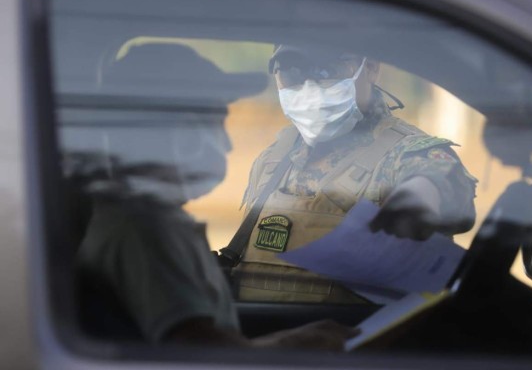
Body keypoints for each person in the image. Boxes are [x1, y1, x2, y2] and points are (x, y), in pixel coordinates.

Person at [64, 43, 357, 348]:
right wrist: (296, 344)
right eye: (216, 121)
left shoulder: (147, 220)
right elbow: (201, 352)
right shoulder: (143, 230)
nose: (228, 144)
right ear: (179, 133)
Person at [225, 45, 478, 303]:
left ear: (370, 68)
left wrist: (418, 199)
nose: (310, 86)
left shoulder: (407, 153)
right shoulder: (272, 159)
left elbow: (440, 177)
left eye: (328, 69)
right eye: (293, 71)